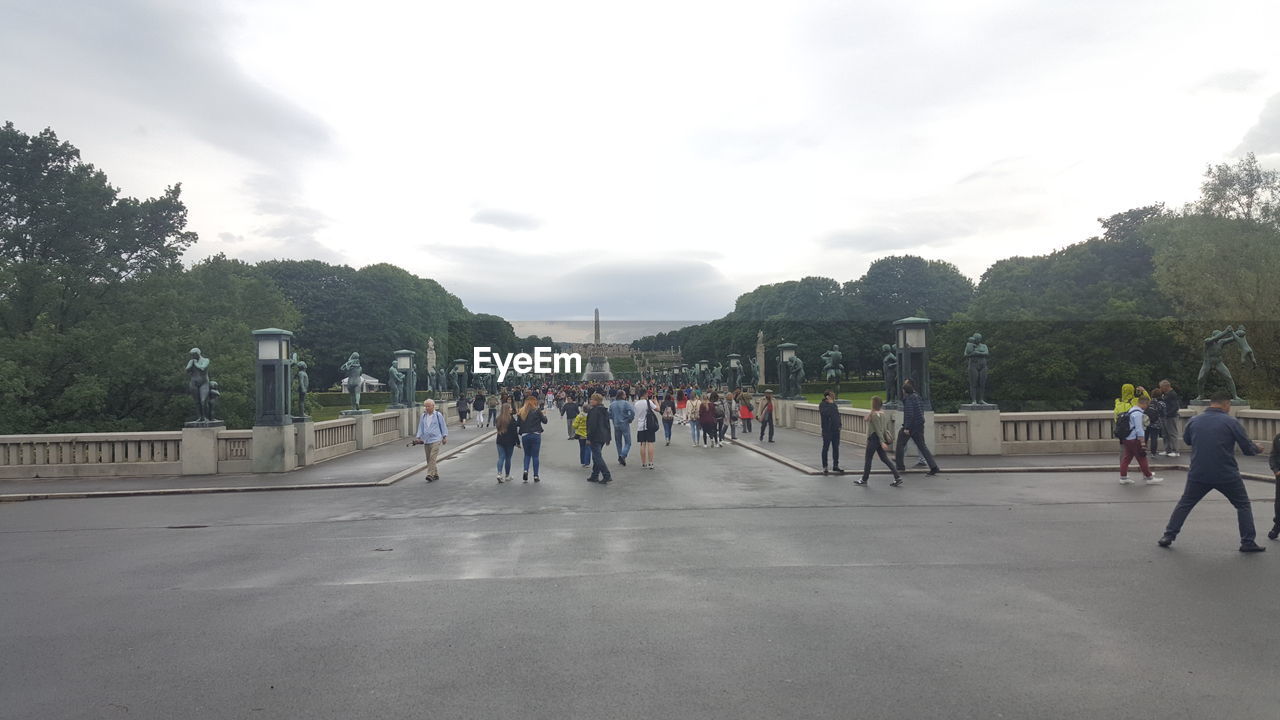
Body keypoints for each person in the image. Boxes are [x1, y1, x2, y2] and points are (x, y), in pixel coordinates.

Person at [1158, 392, 1265, 552]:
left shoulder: (1194, 420)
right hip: (1226, 473)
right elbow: (1247, 449)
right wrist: (1257, 448)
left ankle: (1168, 535)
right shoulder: (1231, 422)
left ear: (1211, 403)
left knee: (1185, 504)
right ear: (1226, 404)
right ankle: (1247, 542)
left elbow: (1187, 440)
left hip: (1199, 473)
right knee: (1243, 505)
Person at [894, 381, 940, 476]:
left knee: (900, 445)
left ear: (905, 391)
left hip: (911, 426)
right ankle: (934, 467)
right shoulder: (917, 397)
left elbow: (909, 414)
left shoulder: (909, 399)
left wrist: (906, 428)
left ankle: (900, 466)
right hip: (919, 425)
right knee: (923, 447)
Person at [1118, 395, 1162, 485]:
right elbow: (1139, 428)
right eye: (1147, 405)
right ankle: (1149, 477)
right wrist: (1142, 441)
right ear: (1144, 403)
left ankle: (1123, 477)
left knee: (1127, 458)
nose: (1147, 407)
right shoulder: (1138, 414)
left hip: (1127, 438)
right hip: (1134, 439)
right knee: (1142, 457)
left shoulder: (1131, 410)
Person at [857, 397, 901, 486]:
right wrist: (883, 440)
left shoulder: (874, 416)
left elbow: (877, 430)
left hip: (874, 439)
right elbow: (884, 429)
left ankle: (864, 479)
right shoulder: (882, 414)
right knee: (885, 459)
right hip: (880, 439)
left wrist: (881, 442)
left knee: (868, 459)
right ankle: (897, 477)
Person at [414, 398, 448, 482]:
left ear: (433, 406)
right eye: (425, 406)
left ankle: (430, 474)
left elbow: (443, 425)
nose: (426, 408)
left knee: (432, 457)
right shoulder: (423, 416)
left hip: (436, 439)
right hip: (426, 440)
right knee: (429, 459)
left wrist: (444, 437)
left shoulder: (438, 415)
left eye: (428, 406)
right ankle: (435, 474)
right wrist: (418, 437)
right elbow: (421, 427)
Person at [515, 395, 547, 483]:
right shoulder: (537, 411)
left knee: (527, 455)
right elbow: (545, 421)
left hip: (525, 435)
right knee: (535, 456)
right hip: (536, 435)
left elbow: (517, 424)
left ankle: (525, 470)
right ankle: (536, 475)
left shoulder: (521, 411)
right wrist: (544, 414)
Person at [585, 393, 613, 483]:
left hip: (595, 436)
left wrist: (588, 438)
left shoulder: (593, 411)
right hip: (603, 436)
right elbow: (607, 425)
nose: (590, 401)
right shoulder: (604, 410)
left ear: (596, 401)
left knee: (597, 457)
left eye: (592, 399)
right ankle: (595, 475)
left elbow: (591, 426)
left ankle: (606, 475)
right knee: (596, 456)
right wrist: (608, 437)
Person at [634, 390, 660, 469]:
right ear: (645, 395)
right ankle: (651, 463)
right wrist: (655, 401)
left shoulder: (636, 404)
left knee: (642, 444)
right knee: (650, 443)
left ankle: (643, 463)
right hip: (649, 425)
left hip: (640, 426)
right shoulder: (648, 402)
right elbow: (658, 409)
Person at [818, 390, 843, 474]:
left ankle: (836, 465)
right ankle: (825, 466)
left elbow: (837, 415)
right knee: (826, 448)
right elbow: (826, 414)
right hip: (827, 430)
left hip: (836, 430)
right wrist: (831, 404)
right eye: (832, 395)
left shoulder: (834, 404)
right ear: (827, 397)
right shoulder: (823, 405)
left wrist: (839, 425)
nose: (834, 397)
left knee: (836, 448)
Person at [609, 389, 635, 465]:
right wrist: (630, 419)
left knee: (618, 442)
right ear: (622, 395)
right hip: (624, 424)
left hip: (616, 424)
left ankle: (620, 455)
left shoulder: (612, 404)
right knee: (628, 442)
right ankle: (623, 455)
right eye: (625, 395)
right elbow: (632, 412)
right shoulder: (626, 403)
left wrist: (613, 418)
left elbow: (609, 414)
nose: (626, 396)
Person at [494, 403, 518, 483]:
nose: (511, 409)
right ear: (507, 409)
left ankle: (499, 473)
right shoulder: (512, 419)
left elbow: (497, 428)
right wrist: (518, 442)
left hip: (500, 440)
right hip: (510, 441)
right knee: (508, 458)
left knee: (501, 457)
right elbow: (515, 432)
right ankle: (507, 475)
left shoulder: (498, 418)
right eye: (510, 408)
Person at [1158, 380, 1181, 457]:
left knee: (1172, 433)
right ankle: (1167, 449)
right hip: (1165, 416)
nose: (1160, 389)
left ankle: (1176, 451)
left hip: (1171, 416)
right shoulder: (1166, 394)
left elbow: (1175, 406)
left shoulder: (1172, 394)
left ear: (1166, 387)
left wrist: (1168, 413)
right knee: (1165, 434)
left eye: (1161, 387)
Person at [1270, 434, 1280, 541]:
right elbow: (1273, 455)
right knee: (1279, 504)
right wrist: (1276, 470)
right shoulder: (1278, 438)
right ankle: (1277, 524)